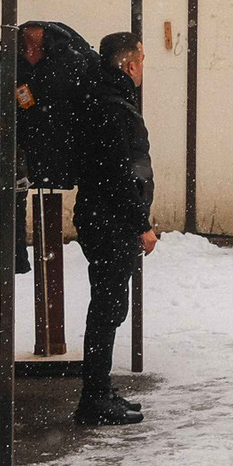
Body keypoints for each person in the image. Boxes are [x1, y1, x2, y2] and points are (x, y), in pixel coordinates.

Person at [76, 31, 158, 428]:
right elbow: (119, 175)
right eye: (141, 60)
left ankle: (99, 390)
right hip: (109, 221)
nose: (143, 67)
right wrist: (140, 224)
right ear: (129, 65)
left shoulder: (105, 98)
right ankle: (93, 399)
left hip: (103, 218)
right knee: (106, 310)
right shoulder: (112, 106)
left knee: (108, 308)